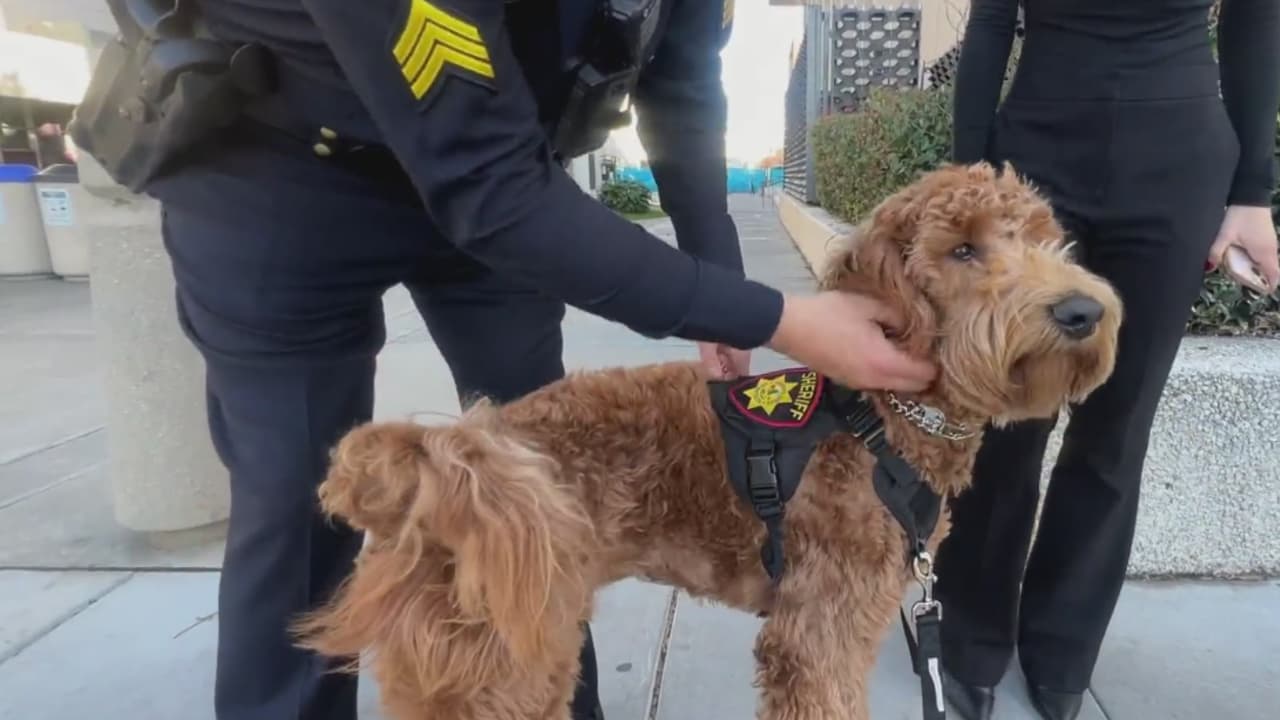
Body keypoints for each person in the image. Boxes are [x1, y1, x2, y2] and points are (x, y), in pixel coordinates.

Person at [70, 1, 938, 719]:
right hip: (286, 179)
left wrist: (720, 277)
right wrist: (783, 319)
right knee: (296, 511)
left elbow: (681, 77)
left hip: (511, 177)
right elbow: (486, 184)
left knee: (543, 492)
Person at [934, 1, 1279, 719]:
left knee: (1117, 429)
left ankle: (1063, 648)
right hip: (1033, 157)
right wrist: (969, 173)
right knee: (1005, 418)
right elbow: (991, 19)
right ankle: (971, 635)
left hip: (1180, 159)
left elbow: (1255, 18)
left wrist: (1252, 193)